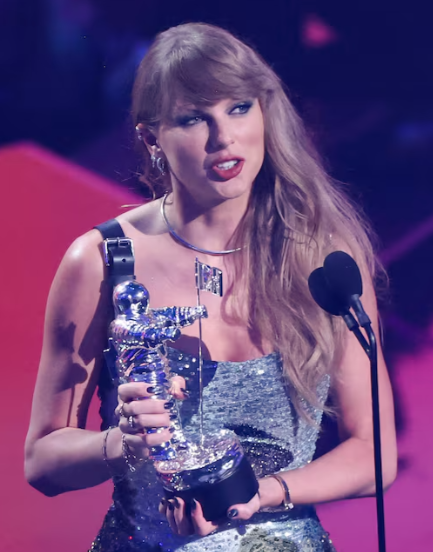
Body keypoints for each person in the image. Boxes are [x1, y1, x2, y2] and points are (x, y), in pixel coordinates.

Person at [24, 22, 397, 552]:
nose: (224, 138)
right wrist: (120, 442)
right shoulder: (103, 262)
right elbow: (42, 463)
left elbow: (373, 454)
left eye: (239, 108)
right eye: (194, 118)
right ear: (151, 138)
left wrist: (264, 495)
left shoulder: (321, 253)